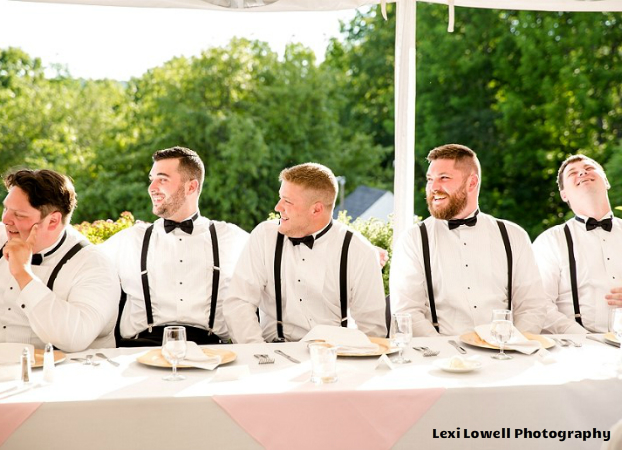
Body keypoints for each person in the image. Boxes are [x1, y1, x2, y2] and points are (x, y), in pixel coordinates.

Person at [390, 144, 546, 336]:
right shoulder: (412, 240)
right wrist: (447, 354)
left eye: (444, 178)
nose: (433, 188)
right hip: (438, 358)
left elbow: (533, 307)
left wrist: (514, 345)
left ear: (471, 183)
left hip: (503, 355)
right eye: (430, 179)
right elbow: (407, 311)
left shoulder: (514, 236)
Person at [223, 162, 386, 343]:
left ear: (316, 209)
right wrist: (258, 352)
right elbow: (238, 303)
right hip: (272, 354)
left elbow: (373, 330)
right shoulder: (264, 237)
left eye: (288, 201)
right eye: (280, 198)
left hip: (336, 358)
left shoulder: (359, 252)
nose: (278, 207)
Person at [101, 146, 248, 346]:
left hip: (210, 353)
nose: (151, 187)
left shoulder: (230, 238)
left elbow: (272, 265)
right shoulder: (131, 239)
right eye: (151, 179)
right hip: (138, 352)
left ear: (191, 187)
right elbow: (82, 262)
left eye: (162, 179)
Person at [0, 169, 119, 352]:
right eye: (6, 208)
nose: (6, 219)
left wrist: (24, 275)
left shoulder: (93, 264)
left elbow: (75, 338)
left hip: (64, 374)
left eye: (19, 215)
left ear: (53, 221)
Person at [533, 154, 622, 333]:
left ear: (605, 181)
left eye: (589, 168)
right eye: (572, 173)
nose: (582, 172)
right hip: (576, 350)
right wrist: (583, 338)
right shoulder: (550, 241)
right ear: (564, 194)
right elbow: (538, 305)